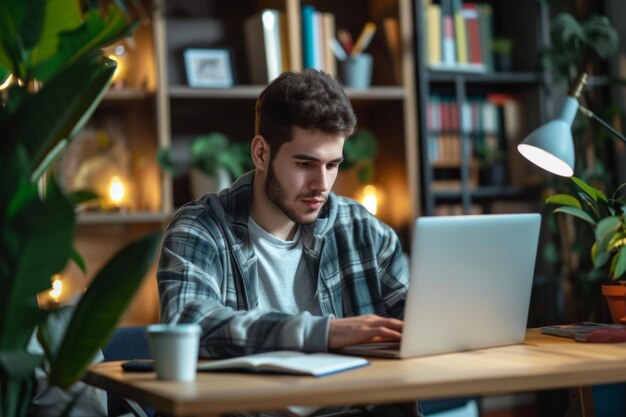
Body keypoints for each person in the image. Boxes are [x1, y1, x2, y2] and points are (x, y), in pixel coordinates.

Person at [157, 69, 421, 417]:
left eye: (333, 165)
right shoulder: (200, 228)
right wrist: (322, 332)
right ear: (261, 153)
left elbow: (421, 323)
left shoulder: (361, 228)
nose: (321, 184)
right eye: (305, 163)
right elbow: (186, 324)